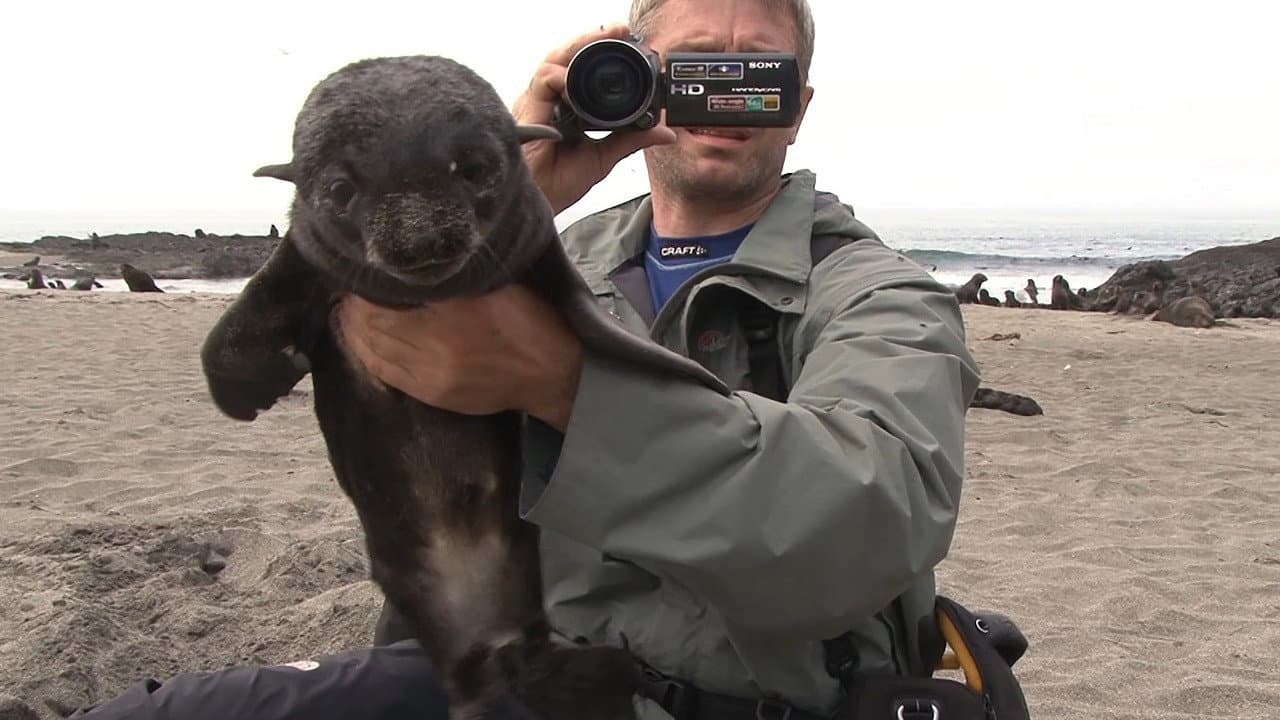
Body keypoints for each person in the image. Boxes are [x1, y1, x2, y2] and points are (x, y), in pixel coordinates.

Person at [72, 0, 980, 718]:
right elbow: (339, 376)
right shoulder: (549, 254)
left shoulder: (879, 292)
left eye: (758, 71)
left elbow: (867, 526)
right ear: (634, 81)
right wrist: (498, 197)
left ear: (800, 104)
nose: (726, 92)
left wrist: (564, 384)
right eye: (696, 67)